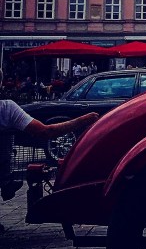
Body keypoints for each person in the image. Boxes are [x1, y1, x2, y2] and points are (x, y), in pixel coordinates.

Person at [1, 72, 99, 201]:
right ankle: (5, 180)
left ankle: (5, 181)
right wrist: (83, 120)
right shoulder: (6, 108)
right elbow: (45, 132)